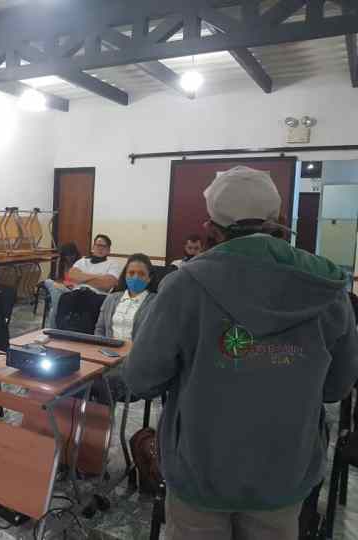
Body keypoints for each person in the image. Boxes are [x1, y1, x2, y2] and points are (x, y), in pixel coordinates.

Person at [123, 165, 358, 540]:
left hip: (200, 472)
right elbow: (337, 387)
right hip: (284, 473)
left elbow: (141, 379)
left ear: (211, 229)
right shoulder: (327, 288)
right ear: (281, 220)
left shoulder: (184, 286)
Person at [92, 253, 156, 403]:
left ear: (149, 278)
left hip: (135, 364)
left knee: (104, 383)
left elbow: (155, 340)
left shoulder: (156, 302)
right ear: (125, 275)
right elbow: (99, 330)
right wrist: (101, 355)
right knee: (79, 379)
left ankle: (101, 417)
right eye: (131, 273)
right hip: (107, 358)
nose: (135, 277)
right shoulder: (112, 298)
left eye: (141, 274)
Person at [43, 234, 121, 328]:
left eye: (103, 246)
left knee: (79, 307)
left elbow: (108, 284)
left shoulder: (112, 264)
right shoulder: (83, 261)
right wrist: (99, 277)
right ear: (93, 247)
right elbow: (72, 275)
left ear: (108, 250)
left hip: (97, 295)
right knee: (61, 296)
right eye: (98, 245)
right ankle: (59, 332)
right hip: (77, 292)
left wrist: (82, 278)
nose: (100, 248)